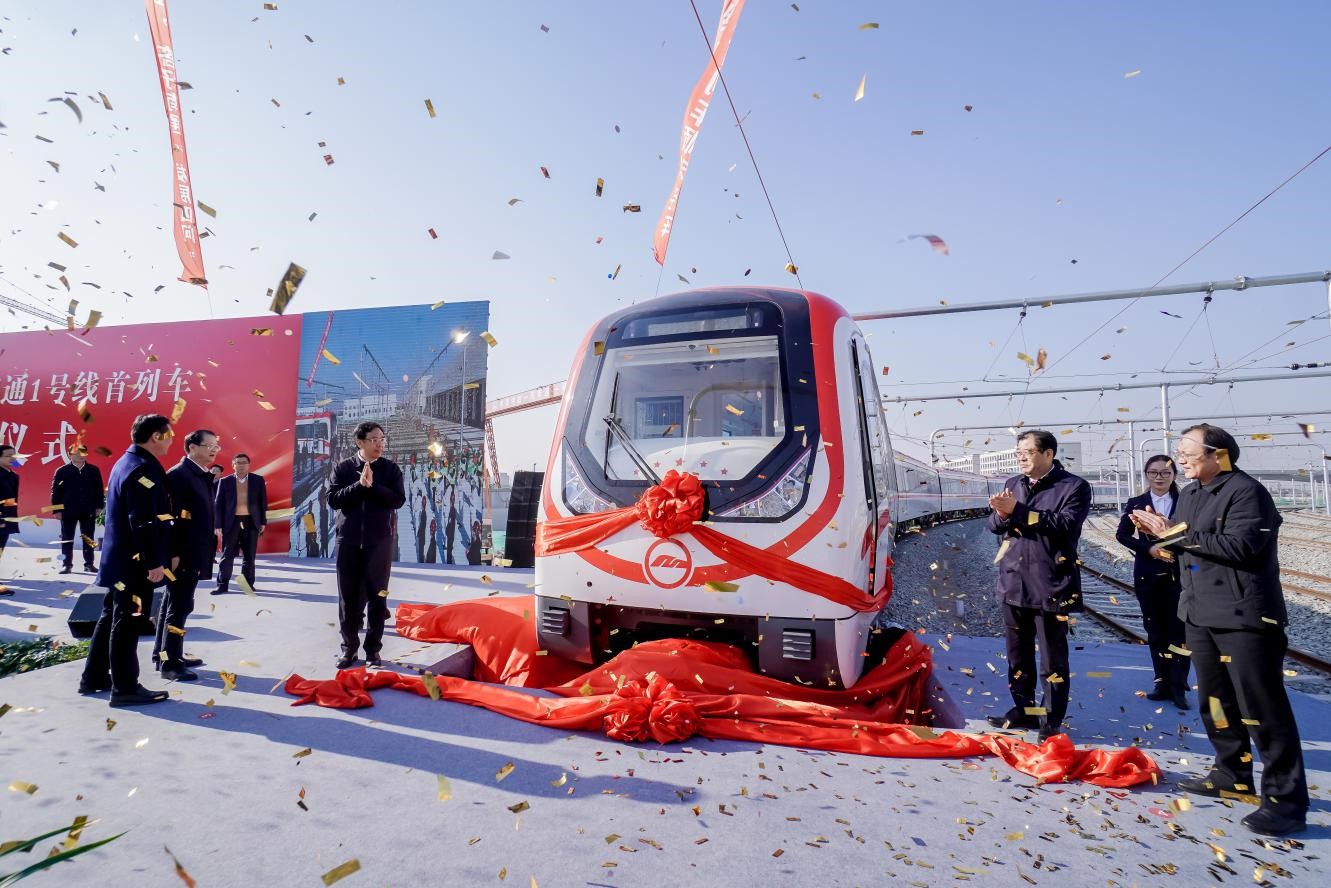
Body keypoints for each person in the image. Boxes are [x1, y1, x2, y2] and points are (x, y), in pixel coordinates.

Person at [1132, 424, 1308, 836]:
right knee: (1215, 703)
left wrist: (1172, 534)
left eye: (1187, 451)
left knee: (1261, 709)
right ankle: (1232, 773)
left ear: (1219, 454)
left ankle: (1286, 801)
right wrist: (1158, 537)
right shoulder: (1190, 494)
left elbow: (1240, 547)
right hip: (1199, 614)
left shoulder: (1247, 492)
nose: (1181, 459)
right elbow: (1187, 542)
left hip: (1243, 618)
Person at [986, 430, 1091, 742]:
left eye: (1028, 451)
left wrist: (1015, 511)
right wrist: (1002, 514)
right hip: (1013, 583)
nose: (1021, 457)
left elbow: (1064, 525)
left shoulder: (1074, 486)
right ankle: (1024, 710)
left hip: (1050, 585)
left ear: (1048, 454)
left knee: (1051, 659)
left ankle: (1050, 719)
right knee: (1017, 656)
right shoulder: (1013, 484)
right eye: (1019, 451)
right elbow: (993, 525)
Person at [78, 414, 173, 707]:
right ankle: (125, 687)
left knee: (110, 617)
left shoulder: (126, 461)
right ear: (155, 437)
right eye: (168, 434)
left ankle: (93, 678)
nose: (171, 440)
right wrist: (153, 562)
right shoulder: (142, 468)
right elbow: (142, 521)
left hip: (119, 561)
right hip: (134, 564)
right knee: (129, 621)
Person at [328, 421, 405, 669]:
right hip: (347, 541)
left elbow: (397, 500)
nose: (380, 444)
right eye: (374, 439)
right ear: (359, 442)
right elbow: (333, 500)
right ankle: (348, 649)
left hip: (379, 542)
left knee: (378, 597)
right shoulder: (342, 468)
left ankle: (373, 651)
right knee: (347, 599)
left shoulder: (390, 469)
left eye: (382, 438)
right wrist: (358, 486)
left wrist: (374, 487)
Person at [1115, 454, 1190, 708]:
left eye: (1165, 473)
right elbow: (1122, 535)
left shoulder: (1186, 502)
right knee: (1155, 630)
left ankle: (1179, 686)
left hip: (1180, 575)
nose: (1160, 477)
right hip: (1148, 574)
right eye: (1154, 473)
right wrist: (1148, 549)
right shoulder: (1136, 503)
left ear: (1174, 476)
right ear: (1146, 475)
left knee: (1179, 632)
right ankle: (1161, 681)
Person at [153, 429, 220, 681]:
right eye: (208, 445)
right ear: (192, 447)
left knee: (176, 603)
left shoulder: (199, 475)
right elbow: (170, 519)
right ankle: (170, 663)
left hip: (194, 549)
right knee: (179, 605)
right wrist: (174, 553)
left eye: (216, 446)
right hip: (183, 552)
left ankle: (166, 654)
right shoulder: (180, 475)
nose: (214, 450)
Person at [214, 452, 268, 594]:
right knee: (227, 555)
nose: (241, 465)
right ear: (233, 465)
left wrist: (263, 521)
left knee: (249, 556)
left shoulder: (258, 480)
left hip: (251, 522)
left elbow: (263, 503)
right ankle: (222, 584)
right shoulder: (225, 481)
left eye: (244, 462)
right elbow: (218, 504)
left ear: (249, 465)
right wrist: (217, 524)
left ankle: (247, 586)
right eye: (238, 462)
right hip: (231, 523)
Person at [51, 445, 105, 574]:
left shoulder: (93, 470)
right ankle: (67, 565)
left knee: (88, 538)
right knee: (67, 537)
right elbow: (55, 492)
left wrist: (98, 507)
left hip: (88, 509)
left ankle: (89, 564)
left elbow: (99, 490)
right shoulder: (62, 471)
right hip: (68, 510)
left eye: (83, 452)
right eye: (76, 453)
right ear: (70, 454)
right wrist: (56, 510)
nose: (81, 455)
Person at [0, 445, 18, 587]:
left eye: (14, 454)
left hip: (7, 518)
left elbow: (12, 500)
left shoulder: (13, 476)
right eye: (8, 455)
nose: (12, 458)